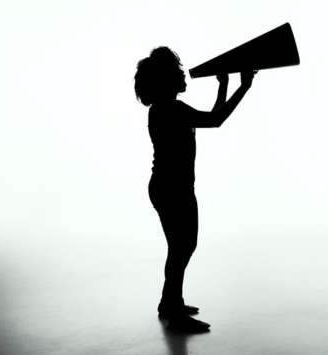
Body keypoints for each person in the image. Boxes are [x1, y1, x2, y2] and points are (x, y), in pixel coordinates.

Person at [134, 47, 255, 333]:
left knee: (180, 248)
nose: (182, 74)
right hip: (173, 189)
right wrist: (242, 86)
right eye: (176, 72)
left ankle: (169, 302)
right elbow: (216, 119)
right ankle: (173, 312)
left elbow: (213, 116)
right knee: (182, 248)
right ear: (166, 81)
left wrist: (227, 85)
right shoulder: (172, 110)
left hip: (167, 188)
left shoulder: (162, 110)